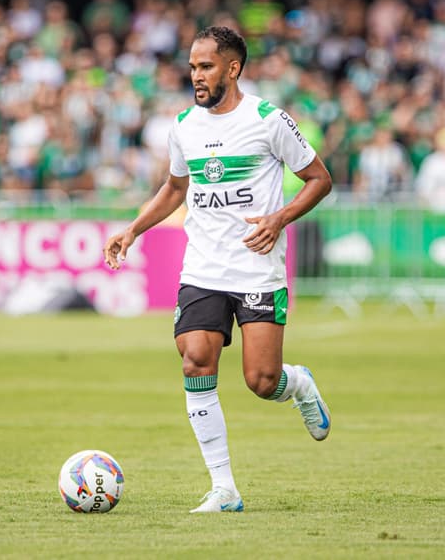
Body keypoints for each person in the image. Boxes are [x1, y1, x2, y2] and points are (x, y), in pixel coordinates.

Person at [103, 26, 333, 514]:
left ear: (233, 68)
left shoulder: (269, 120)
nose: (196, 76)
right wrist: (133, 230)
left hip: (256, 269)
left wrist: (279, 218)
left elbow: (319, 179)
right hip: (203, 269)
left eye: (206, 66)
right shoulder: (185, 124)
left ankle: (301, 385)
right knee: (195, 360)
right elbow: (174, 188)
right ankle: (224, 488)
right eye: (192, 67)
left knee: (262, 381)